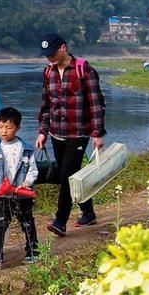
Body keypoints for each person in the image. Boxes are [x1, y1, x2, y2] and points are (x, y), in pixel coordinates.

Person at [35, 34, 106, 237]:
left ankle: (60, 220)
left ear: (63, 48)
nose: (49, 57)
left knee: (67, 176)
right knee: (71, 175)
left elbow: (96, 103)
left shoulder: (84, 70)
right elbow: (46, 105)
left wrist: (97, 133)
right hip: (57, 132)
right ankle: (88, 211)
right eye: (46, 54)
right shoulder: (47, 73)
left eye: (52, 53)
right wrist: (42, 131)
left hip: (79, 133)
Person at [0, 107, 39, 268]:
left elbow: (33, 170)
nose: (4, 131)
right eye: (0, 127)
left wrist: (26, 183)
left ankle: (33, 251)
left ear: (18, 128)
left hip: (22, 193)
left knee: (27, 222)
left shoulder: (26, 149)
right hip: (2, 194)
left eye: (9, 127)